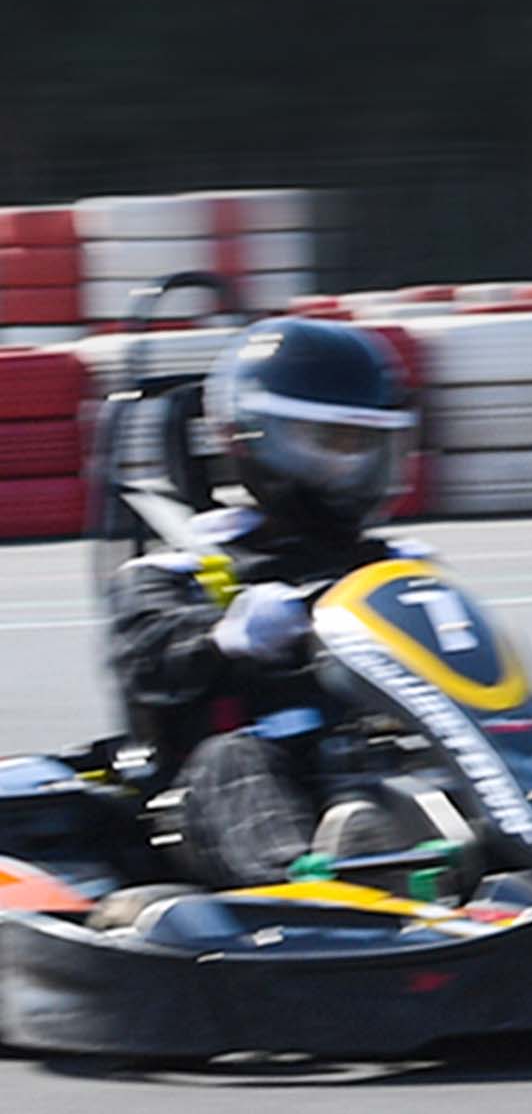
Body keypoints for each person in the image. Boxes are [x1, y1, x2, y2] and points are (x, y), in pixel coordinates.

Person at [107, 316, 418, 887]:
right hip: (232, 800)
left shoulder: (393, 566)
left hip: (365, 772)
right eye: (334, 443)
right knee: (232, 760)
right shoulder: (176, 570)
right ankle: (313, 891)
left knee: (526, 720)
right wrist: (224, 637)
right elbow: (147, 661)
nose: (355, 466)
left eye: (369, 445)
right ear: (253, 436)